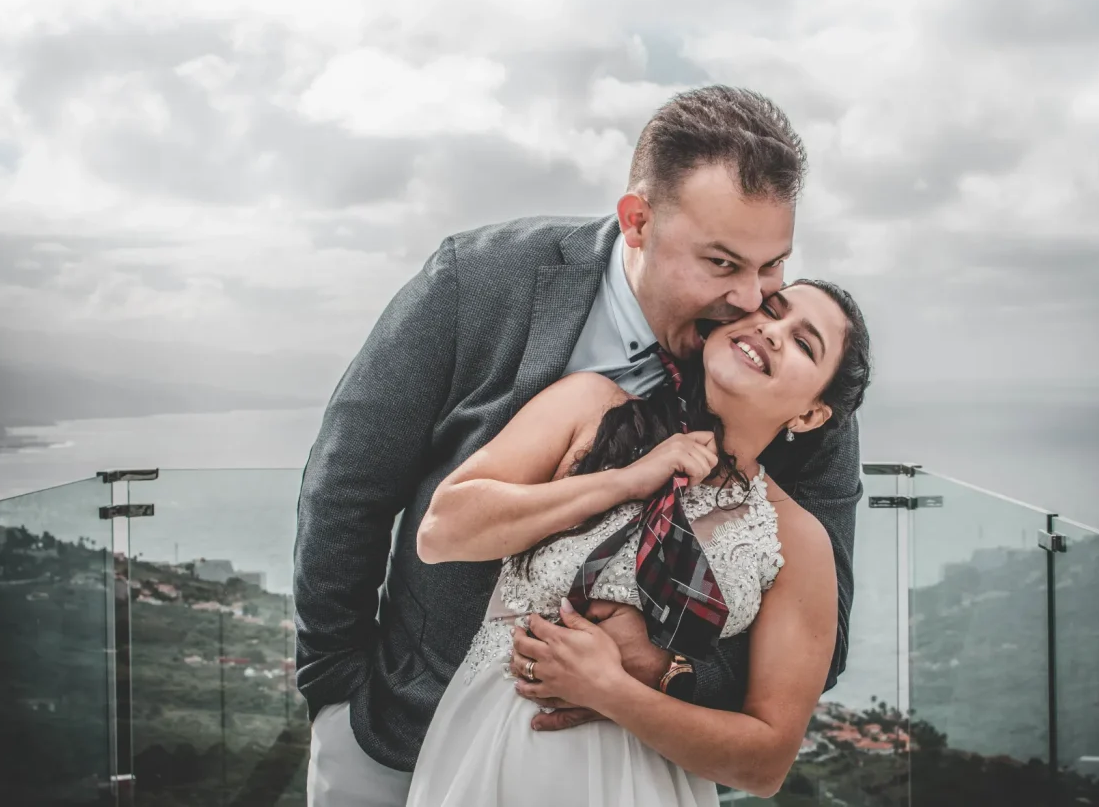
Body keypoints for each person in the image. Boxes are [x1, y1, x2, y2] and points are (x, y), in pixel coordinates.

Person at [294, 85, 865, 806]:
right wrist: (336, 686)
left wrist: (653, 675)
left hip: (637, 770)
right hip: (401, 731)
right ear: (638, 221)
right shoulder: (480, 279)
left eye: (773, 264)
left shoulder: (788, 388)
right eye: (722, 264)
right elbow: (350, 485)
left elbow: (819, 636)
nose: (753, 300)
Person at [406, 279, 870, 804]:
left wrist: (612, 691)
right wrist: (626, 482)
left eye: (804, 343)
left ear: (810, 415)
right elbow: (439, 533)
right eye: (769, 308)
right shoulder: (588, 406)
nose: (772, 331)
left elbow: (766, 765)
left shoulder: (798, 540)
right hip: (490, 755)